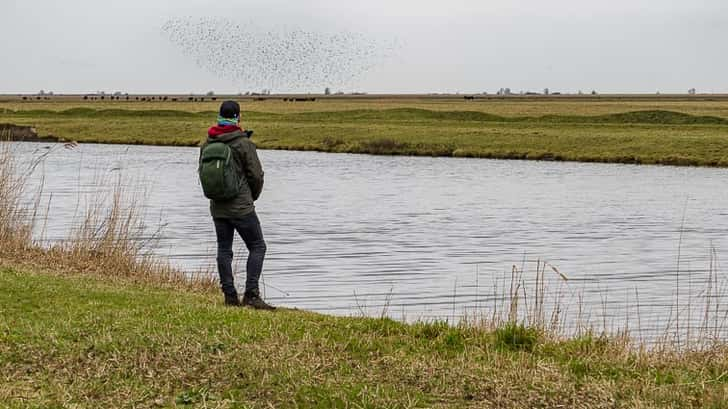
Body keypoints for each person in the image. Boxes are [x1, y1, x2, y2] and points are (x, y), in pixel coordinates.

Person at [199, 100, 274, 310]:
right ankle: (251, 294)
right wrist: (252, 197)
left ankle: (230, 296)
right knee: (258, 246)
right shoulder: (244, 144)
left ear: (219, 116)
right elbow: (256, 176)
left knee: (224, 249)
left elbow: (202, 174)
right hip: (241, 207)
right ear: (238, 117)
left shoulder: (208, 144)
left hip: (217, 206)